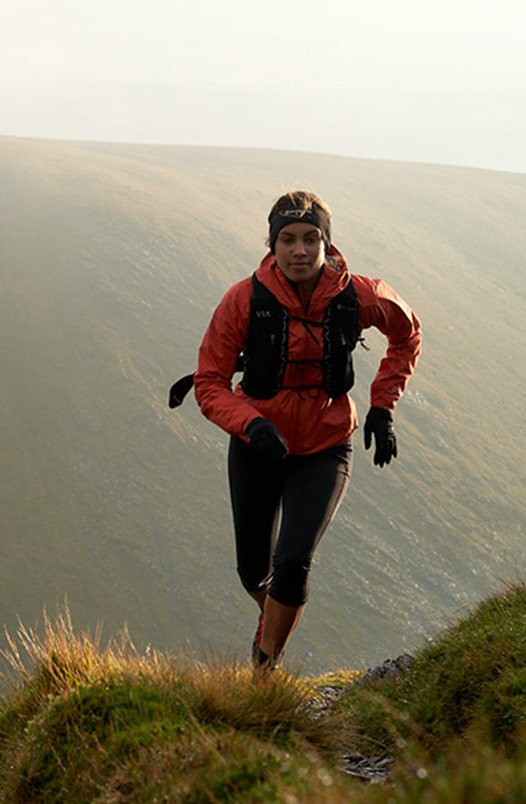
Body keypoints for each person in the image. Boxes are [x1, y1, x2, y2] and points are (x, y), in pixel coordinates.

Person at [191, 190, 422, 672]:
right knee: (253, 571)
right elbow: (209, 383)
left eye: (311, 238)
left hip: (326, 445)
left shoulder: (360, 294)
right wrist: (250, 423)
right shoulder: (242, 300)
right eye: (288, 239)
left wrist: (383, 406)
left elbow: (407, 333)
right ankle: (274, 617)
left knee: (293, 562)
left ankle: (264, 671)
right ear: (272, 244)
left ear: (327, 242)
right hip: (258, 446)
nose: (300, 250)